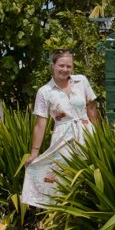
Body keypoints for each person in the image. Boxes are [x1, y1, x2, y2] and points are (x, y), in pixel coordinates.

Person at [21, 49, 99, 208]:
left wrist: (100, 135)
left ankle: (87, 211)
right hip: (63, 138)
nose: (65, 69)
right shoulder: (44, 92)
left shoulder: (81, 81)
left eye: (69, 66)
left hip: (87, 133)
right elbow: (40, 123)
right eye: (61, 65)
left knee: (89, 173)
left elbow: (91, 107)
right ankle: (61, 212)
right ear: (53, 65)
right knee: (62, 175)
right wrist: (34, 153)